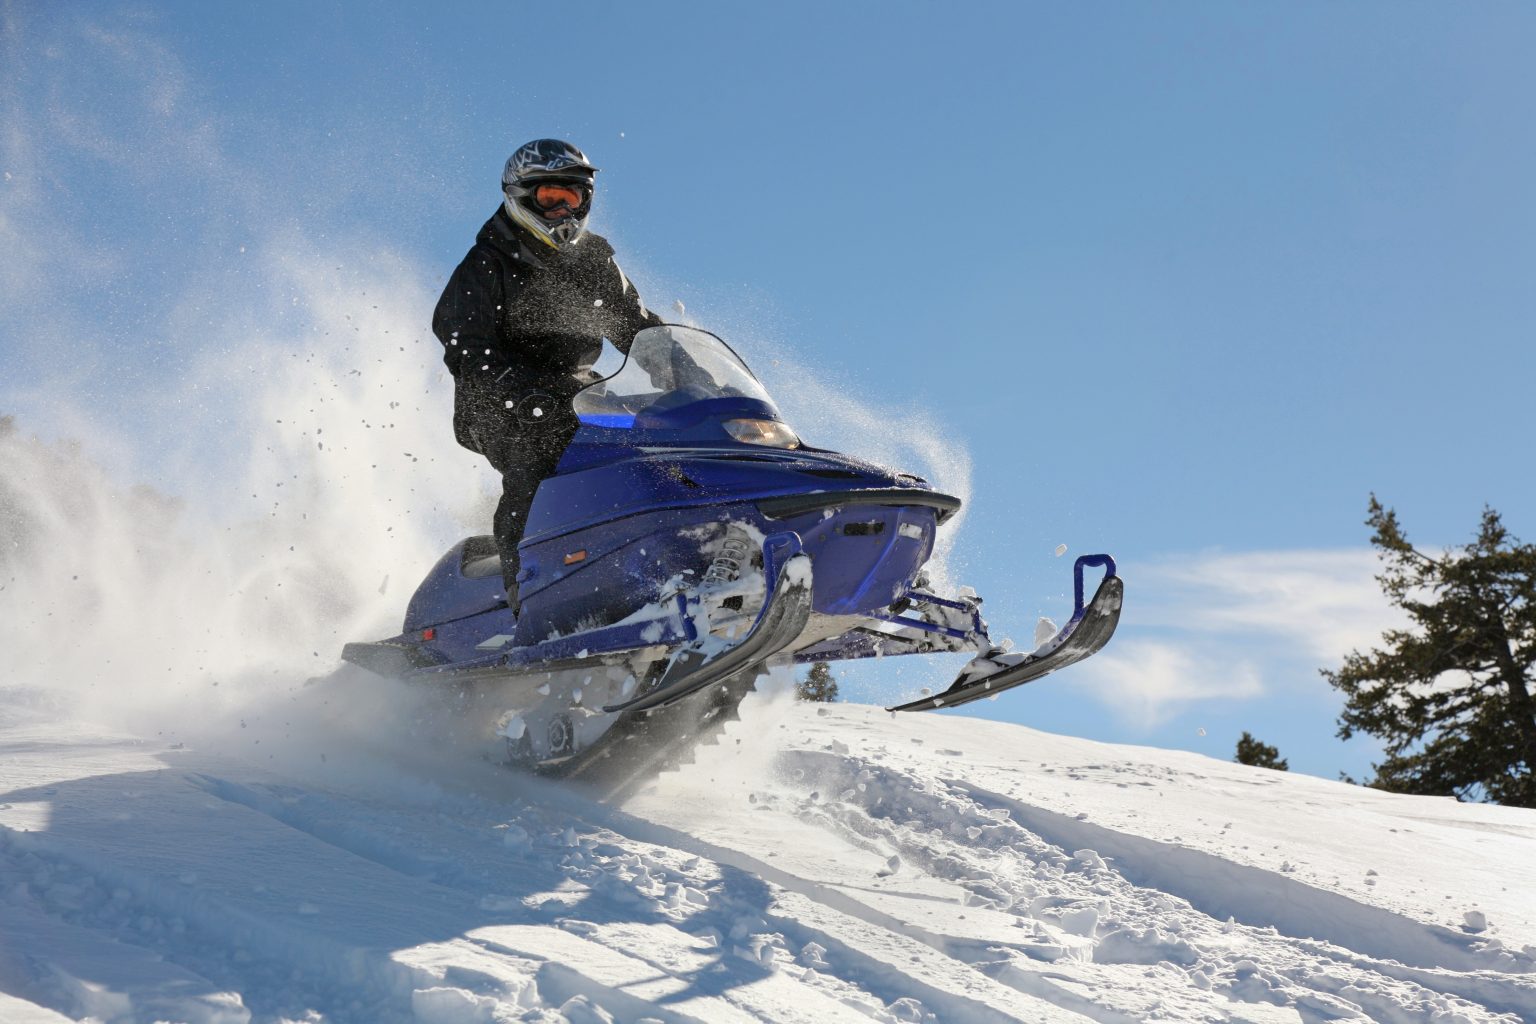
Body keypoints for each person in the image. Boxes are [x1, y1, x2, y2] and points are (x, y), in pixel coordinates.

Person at [433, 139, 661, 611]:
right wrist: (513, 392)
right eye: (549, 199)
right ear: (520, 197)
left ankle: (651, 563)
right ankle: (526, 596)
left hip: (576, 392)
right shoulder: (486, 263)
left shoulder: (593, 260)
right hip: (495, 400)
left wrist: (687, 370)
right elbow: (462, 342)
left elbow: (636, 325)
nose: (561, 212)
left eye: (571, 198)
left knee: (650, 441)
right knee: (535, 457)